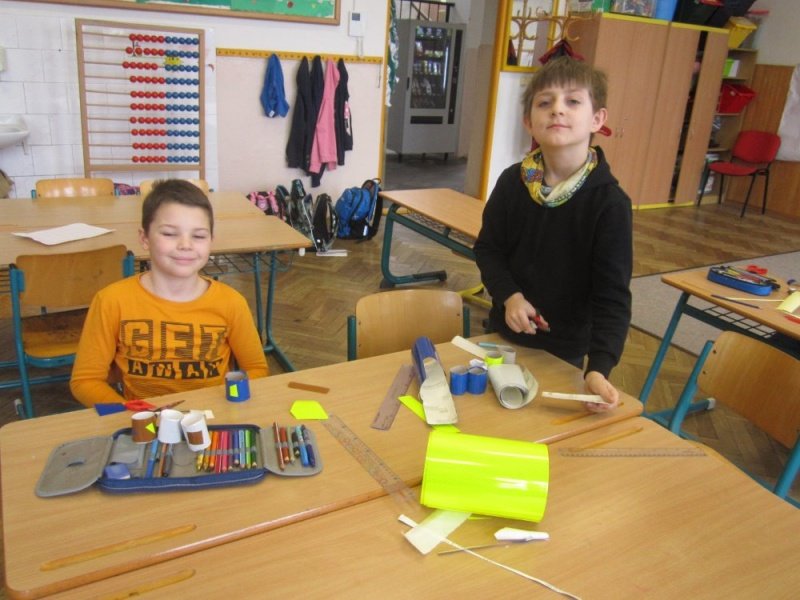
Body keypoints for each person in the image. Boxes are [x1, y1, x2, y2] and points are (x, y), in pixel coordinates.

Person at [473, 56, 632, 411]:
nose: (557, 109)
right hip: (502, 336)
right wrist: (510, 296)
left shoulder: (609, 204)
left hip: (566, 351)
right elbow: (488, 250)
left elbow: (612, 297)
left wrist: (598, 369)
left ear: (597, 119)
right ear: (529, 121)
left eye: (573, 101)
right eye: (545, 102)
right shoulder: (513, 182)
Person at [70, 179, 269, 407]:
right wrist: (133, 414)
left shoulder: (231, 302)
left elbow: (256, 369)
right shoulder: (111, 301)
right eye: (169, 233)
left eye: (199, 236)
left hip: (214, 416)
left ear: (211, 242)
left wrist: (227, 403)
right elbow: (85, 381)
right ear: (144, 238)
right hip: (142, 419)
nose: (186, 245)